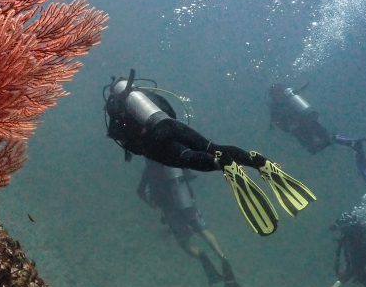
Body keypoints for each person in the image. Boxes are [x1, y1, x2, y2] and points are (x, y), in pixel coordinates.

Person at [103, 69, 316, 236]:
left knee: (187, 158)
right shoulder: (145, 95)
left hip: (154, 142)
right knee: (214, 147)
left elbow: (119, 136)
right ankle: (257, 162)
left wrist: (139, 145)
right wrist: (172, 126)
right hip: (168, 122)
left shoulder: (115, 107)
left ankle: (220, 165)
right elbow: (169, 108)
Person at [138, 158, 245, 287]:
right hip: (185, 200)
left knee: (184, 242)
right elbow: (189, 175)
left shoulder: (148, 170)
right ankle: (222, 257)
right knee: (202, 230)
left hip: (168, 208)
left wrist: (153, 204)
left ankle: (203, 257)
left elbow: (140, 192)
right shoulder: (171, 161)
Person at [268, 83, 366, 186]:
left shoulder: (276, 107)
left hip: (302, 127)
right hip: (308, 121)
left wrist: (292, 123)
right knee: (323, 141)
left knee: (316, 146)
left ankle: (351, 144)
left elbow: (283, 127)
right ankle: (350, 143)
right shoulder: (289, 98)